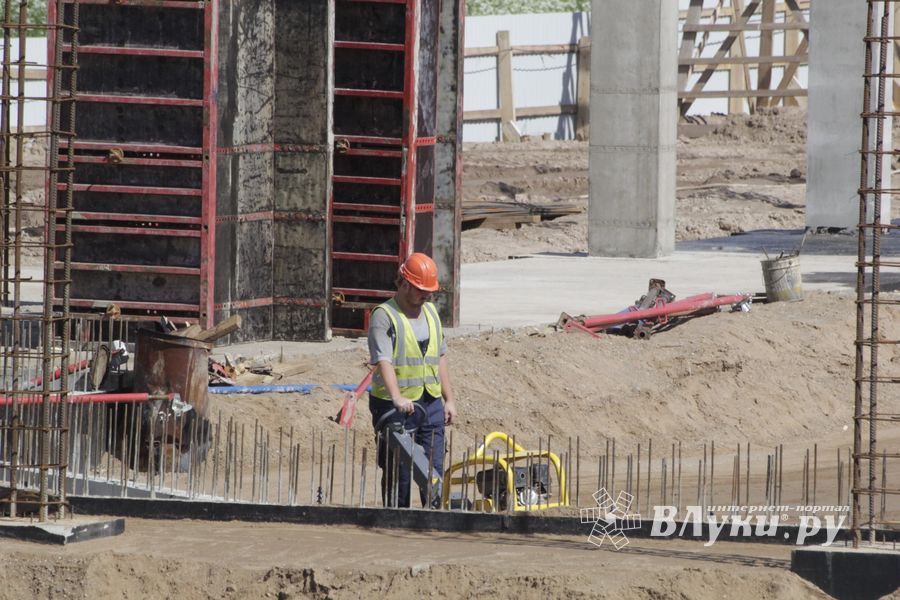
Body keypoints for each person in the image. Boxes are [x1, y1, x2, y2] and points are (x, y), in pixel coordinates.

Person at [367, 252, 457, 508]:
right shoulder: (384, 315)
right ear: (404, 283)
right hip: (394, 407)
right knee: (400, 472)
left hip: (430, 403)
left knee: (434, 469)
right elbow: (383, 360)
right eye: (421, 290)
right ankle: (396, 519)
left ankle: (434, 520)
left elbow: (440, 356)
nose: (426, 296)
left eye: (429, 291)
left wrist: (449, 399)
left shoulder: (431, 312)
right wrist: (397, 397)